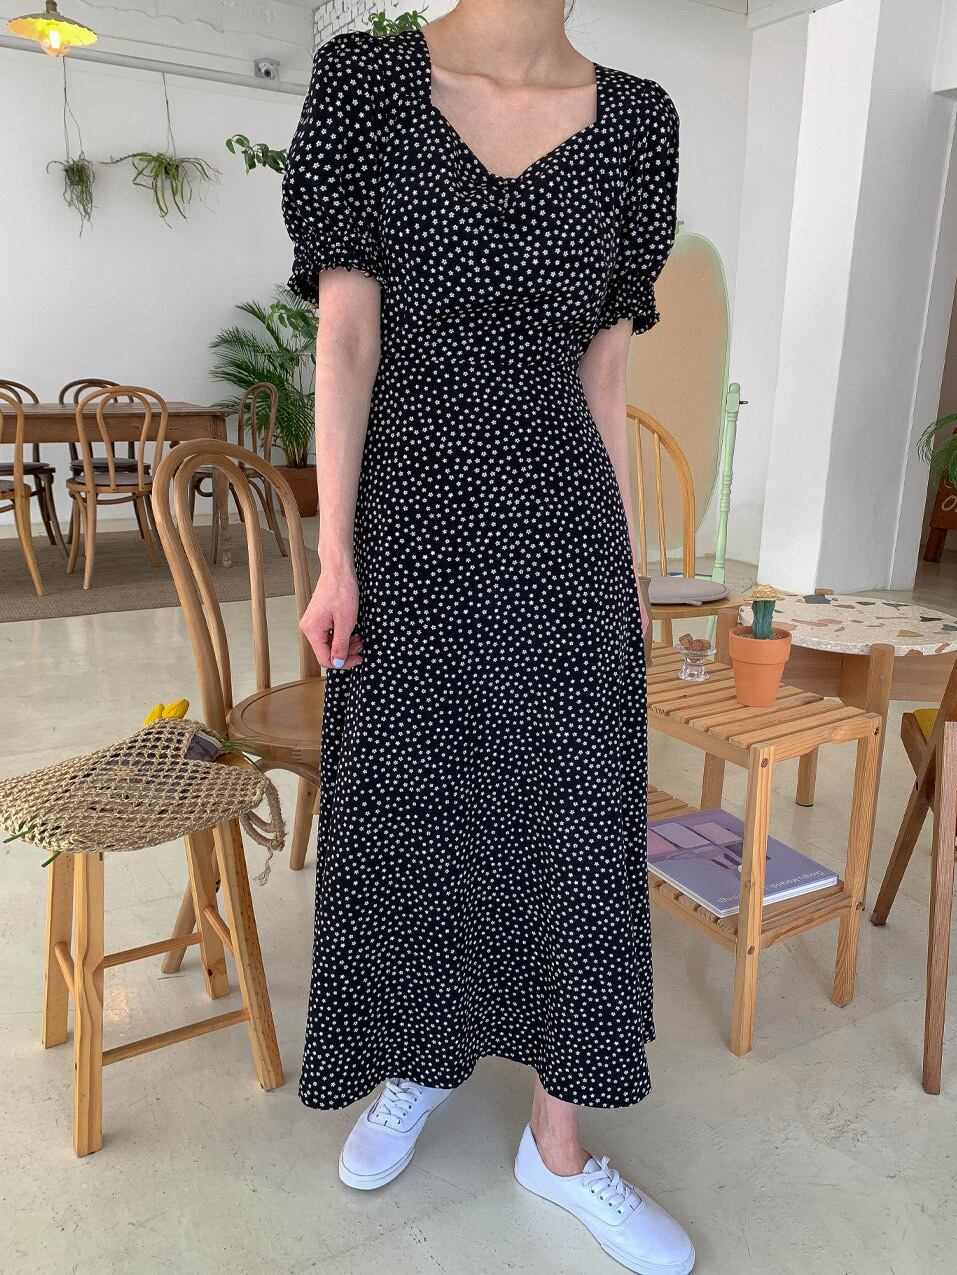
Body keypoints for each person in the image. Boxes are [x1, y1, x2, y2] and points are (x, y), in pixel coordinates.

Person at [282, 3, 693, 1271]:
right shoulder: (366, 81)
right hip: (410, 522)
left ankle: (556, 1142)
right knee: (417, 805)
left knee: (574, 817)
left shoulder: (639, 121)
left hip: (563, 525)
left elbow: (603, 375)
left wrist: (628, 569)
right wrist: (335, 552)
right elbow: (348, 336)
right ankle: (420, 1055)